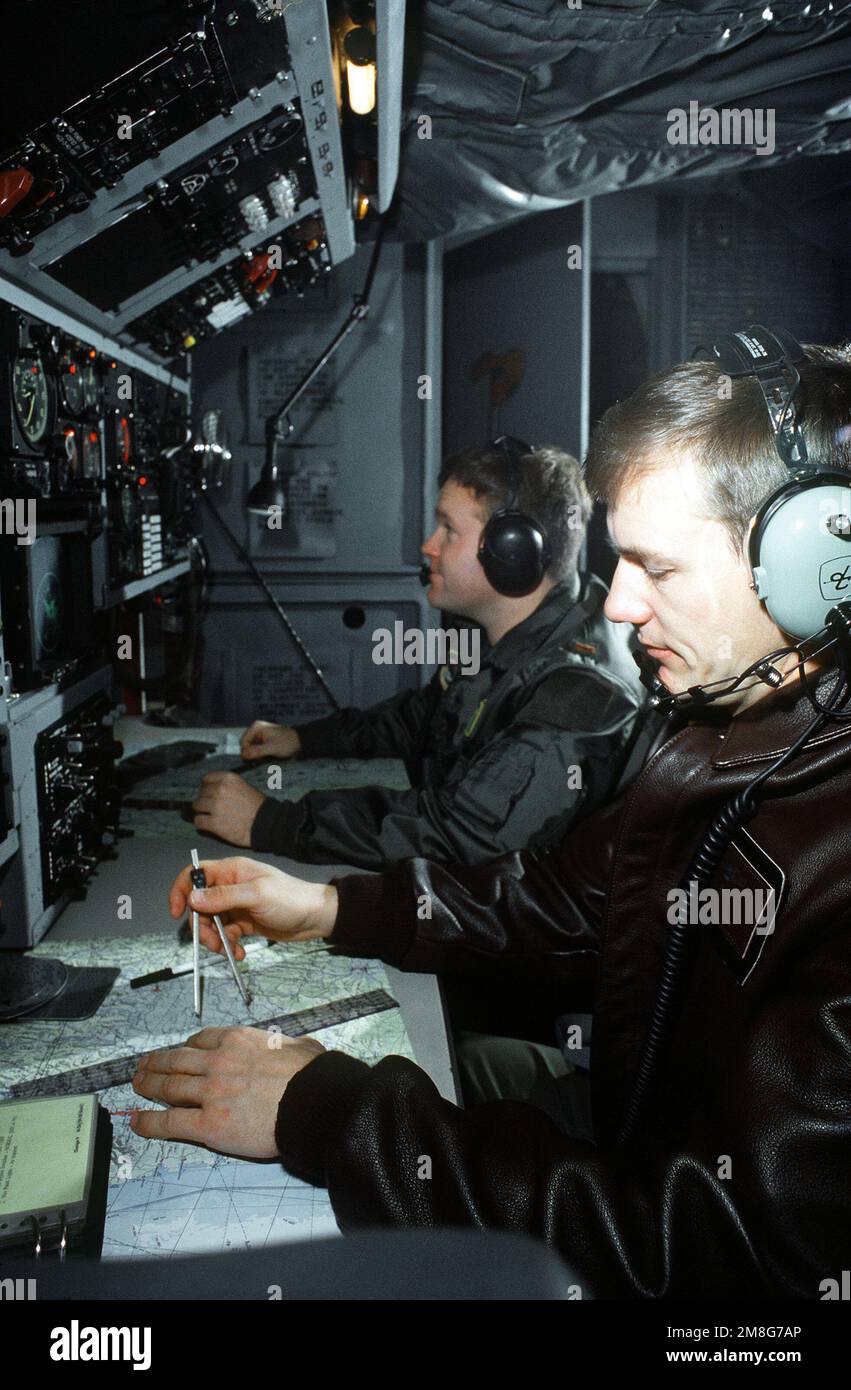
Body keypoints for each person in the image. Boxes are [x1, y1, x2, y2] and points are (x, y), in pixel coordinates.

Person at [133, 335, 851, 1298]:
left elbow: (716, 1253)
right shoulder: (707, 737)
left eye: (658, 568)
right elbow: (556, 898)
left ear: (815, 571)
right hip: (627, 1115)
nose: (623, 604)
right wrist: (332, 910)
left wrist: (331, 1114)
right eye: (616, 560)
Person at [190, 441, 643, 868]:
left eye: (449, 529)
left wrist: (275, 822)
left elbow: (465, 830)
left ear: (513, 551)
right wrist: (305, 738)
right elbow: (429, 717)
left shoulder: (579, 692)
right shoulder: (523, 630)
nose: (428, 546)